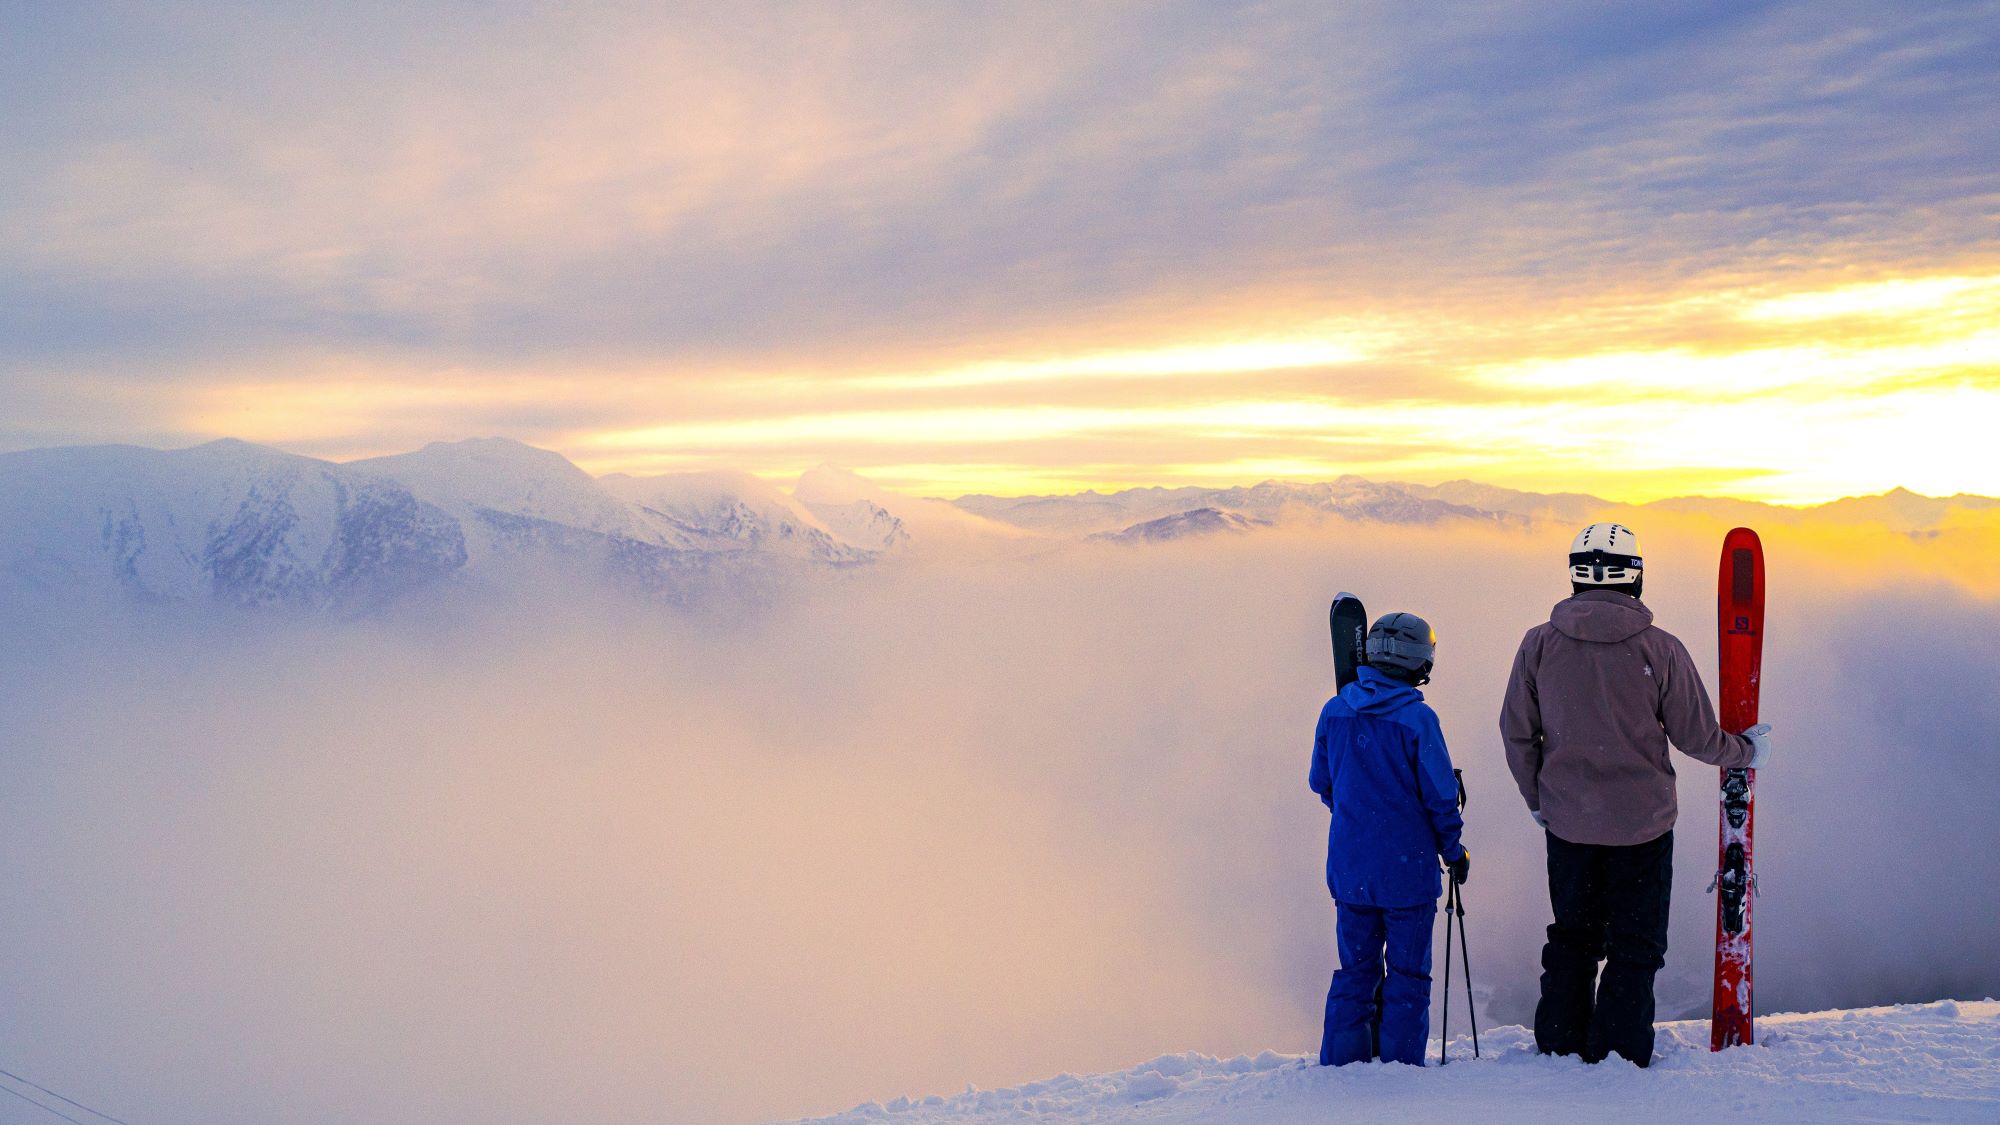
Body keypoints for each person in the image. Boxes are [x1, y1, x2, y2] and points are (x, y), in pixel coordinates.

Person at [1500, 523, 1773, 1067]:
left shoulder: (1538, 644)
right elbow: (1696, 736)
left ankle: (1560, 1042)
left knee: (1573, 935)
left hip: (1568, 822)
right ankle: (1621, 1051)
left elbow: (1516, 731)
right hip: (1641, 827)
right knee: (1635, 942)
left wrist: (1538, 799)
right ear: (1635, 576)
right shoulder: (1660, 649)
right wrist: (1746, 752)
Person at [1310, 611, 1469, 1067]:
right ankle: (1400, 1071)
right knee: (1408, 977)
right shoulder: (1418, 720)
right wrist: (1454, 853)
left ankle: (1342, 1066)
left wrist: (1360, 816)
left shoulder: (1334, 710)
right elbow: (1441, 799)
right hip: (1408, 873)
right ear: (1418, 659)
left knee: (1355, 973)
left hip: (1350, 869)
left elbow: (1322, 782)